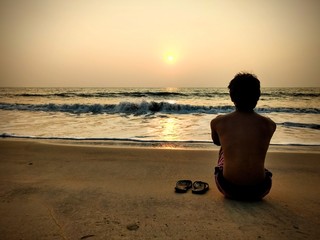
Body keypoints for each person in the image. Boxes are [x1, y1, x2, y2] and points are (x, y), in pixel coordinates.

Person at [210, 72, 276, 200]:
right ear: (258, 96)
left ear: (232, 97)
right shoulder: (269, 124)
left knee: (224, 149)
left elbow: (217, 143)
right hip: (260, 190)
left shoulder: (218, 122)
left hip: (228, 188)